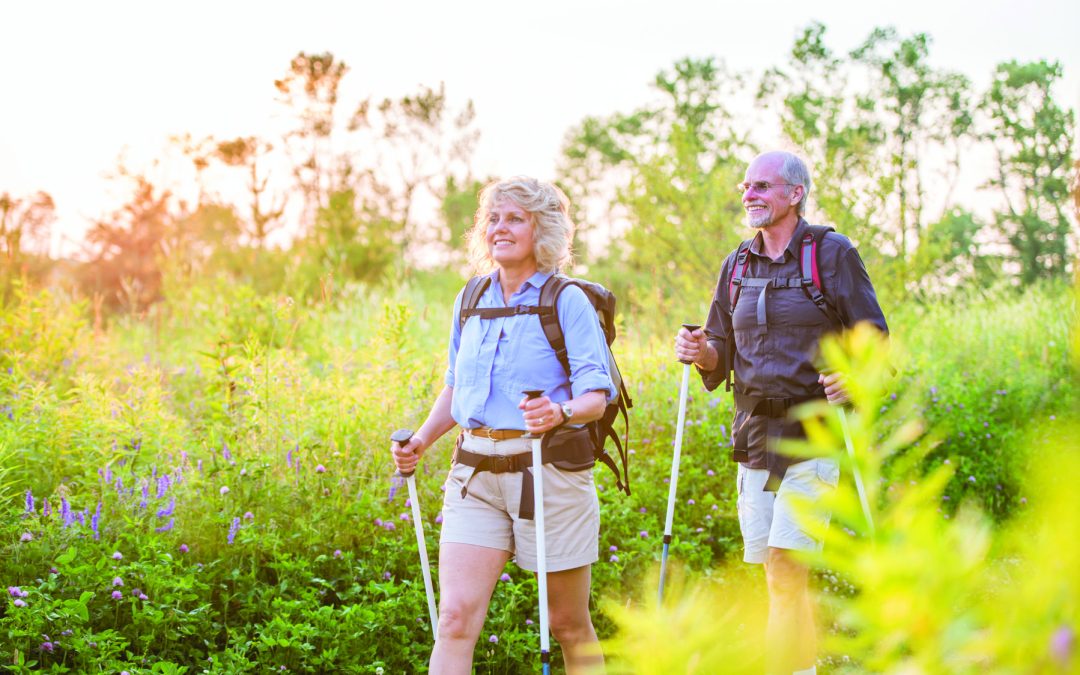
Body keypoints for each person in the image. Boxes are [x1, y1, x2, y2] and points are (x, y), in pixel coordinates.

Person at [675, 151, 888, 675]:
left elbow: (873, 336)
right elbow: (719, 349)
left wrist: (855, 374)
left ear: (795, 194)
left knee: (785, 569)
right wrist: (698, 350)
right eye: (747, 186)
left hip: (812, 435)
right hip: (752, 438)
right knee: (779, 577)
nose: (750, 194)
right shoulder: (736, 264)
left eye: (763, 186)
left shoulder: (832, 253)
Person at [391, 177, 615, 674]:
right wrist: (423, 439)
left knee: (567, 622)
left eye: (515, 218)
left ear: (544, 230)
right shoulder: (470, 298)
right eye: (493, 218)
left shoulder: (568, 301)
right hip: (474, 474)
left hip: (547, 473)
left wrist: (559, 412)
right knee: (453, 619)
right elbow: (456, 388)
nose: (500, 228)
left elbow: (596, 397)